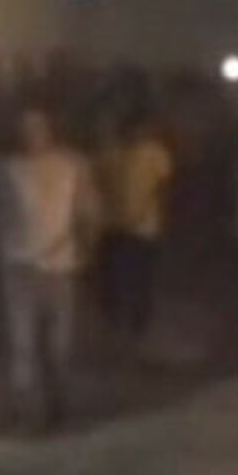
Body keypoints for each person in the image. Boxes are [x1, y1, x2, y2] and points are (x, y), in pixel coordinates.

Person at [0, 104, 99, 428]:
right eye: (26, 128)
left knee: (59, 345)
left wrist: (84, 249)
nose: (32, 134)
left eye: (38, 127)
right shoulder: (8, 170)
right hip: (19, 265)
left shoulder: (72, 165)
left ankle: (57, 407)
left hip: (60, 265)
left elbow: (88, 211)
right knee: (22, 343)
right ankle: (25, 411)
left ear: (51, 129)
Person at [106, 112, 176, 342]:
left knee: (143, 275)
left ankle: (140, 321)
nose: (136, 133)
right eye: (132, 129)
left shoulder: (156, 153)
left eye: (140, 129)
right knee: (121, 273)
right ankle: (121, 318)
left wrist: (157, 213)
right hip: (120, 224)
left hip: (146, 227)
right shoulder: (118, 152)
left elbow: (164, 186)